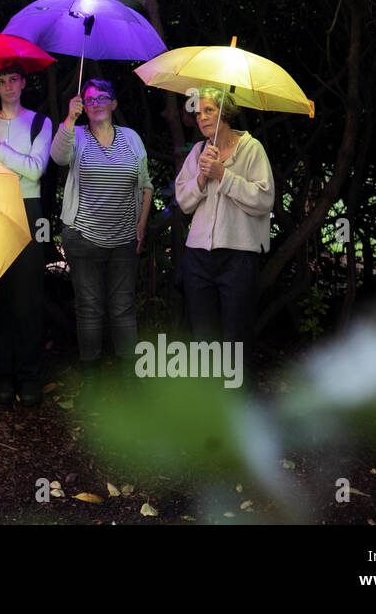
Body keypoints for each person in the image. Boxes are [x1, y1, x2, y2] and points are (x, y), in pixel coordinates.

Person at [49, 79, 153, 391]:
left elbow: (146, 185)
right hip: (83, 236)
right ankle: (91, 380)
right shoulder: (76, 135)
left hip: (124, 237)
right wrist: (69, 118)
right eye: (89, 99)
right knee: (90, 307)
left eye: (102, 98)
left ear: (113, 104)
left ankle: (129, 379)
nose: (95, 103)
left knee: (122, 307)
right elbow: (57, 157)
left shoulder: (131, 139)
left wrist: (142, 225)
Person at [0, 62, 53, 407]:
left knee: (28, 296)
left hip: (29, 211)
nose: (7, 86)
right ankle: (3, 374)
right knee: (0, 294)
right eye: (1, 81)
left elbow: (35, 171)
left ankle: (29, 375)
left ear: (23, 83)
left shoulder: (40, 122)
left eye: (13, 79)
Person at [174, 87, 274, 349]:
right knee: (204, 338)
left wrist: (223, 175)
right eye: (198, 112)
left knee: (236, 337)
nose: (202, 117)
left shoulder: (252, 149)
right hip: (197, 257)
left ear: (225, 113)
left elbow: (264, 200)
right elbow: (184, 203)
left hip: (239, 257)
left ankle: (238, 390)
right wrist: (202, 177)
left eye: (210, 110)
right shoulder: (198, 152)